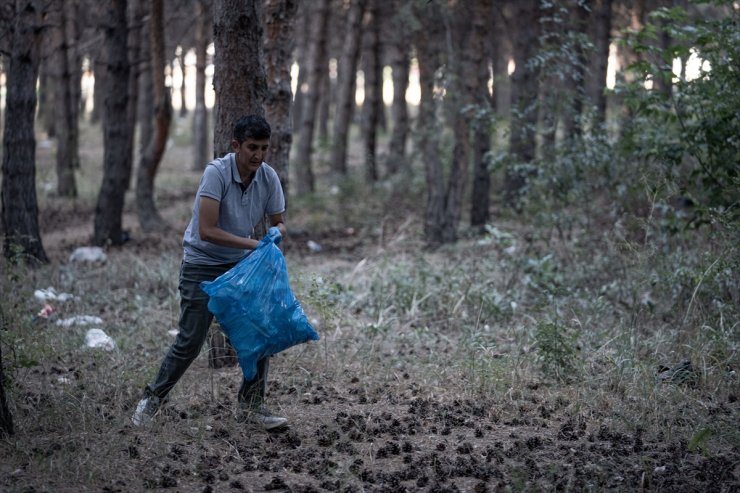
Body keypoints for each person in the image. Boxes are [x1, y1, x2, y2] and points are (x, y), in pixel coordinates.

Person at [132, 114, 288, 430]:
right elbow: (207, 230)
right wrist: (254, 244)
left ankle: (251, 408)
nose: (258, 155)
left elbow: (279, 220)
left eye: (263, 148)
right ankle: (152, 400)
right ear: (235, 146)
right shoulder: (216, 174)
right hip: (202, 265)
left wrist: (277, 235)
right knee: (190, 340)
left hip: (241, 267)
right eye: (251, 148)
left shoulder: (268, 177)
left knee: (259, 334)